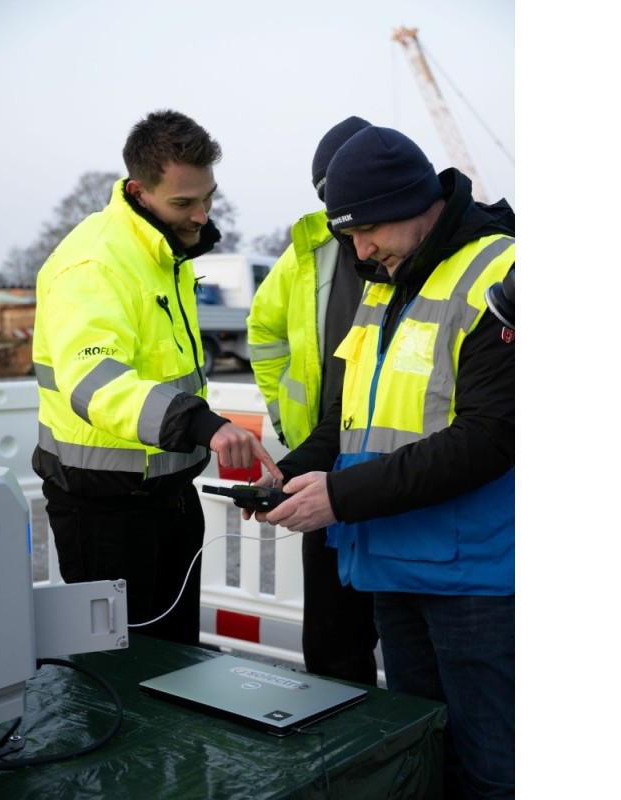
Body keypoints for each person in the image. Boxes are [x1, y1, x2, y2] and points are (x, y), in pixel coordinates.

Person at [246, 126, 515, 799]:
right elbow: (347, 420)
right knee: (419, 751)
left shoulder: (501, 273)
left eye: (367, 229)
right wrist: (289, 473)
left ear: (413, 202)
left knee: (491, 769)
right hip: (393, 563)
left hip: (473, 579)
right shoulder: (382, 280)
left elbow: (491, 437)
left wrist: (341, 496)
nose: (359, 251)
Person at [31, 109, 282, 648]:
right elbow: (94, 382)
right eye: (184, 203)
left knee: (174, 663)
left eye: (208, 197)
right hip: (104, 510)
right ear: (138, 191)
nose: (201, 215)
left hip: (167, 496)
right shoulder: (95, 263)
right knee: (116, 674)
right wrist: (202, 424)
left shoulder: (163, 252)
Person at [246, 116, 380, 687]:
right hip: (326, 458)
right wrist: (290, 424)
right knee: (332, 640)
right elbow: (264, 331)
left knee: (414, 647)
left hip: (404, 469)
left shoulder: (414, 249)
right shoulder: (310, 251)